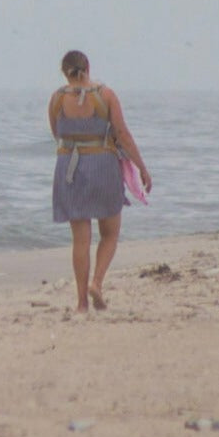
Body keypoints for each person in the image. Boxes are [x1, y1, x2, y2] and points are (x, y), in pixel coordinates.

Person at [48, 50, 152, 314]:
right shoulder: (106, 95)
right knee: (110, 232)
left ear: (64, 71)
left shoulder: (57, 99)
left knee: (80, 239)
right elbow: (123, 135)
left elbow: (56, 134)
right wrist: (141, 168)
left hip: (69, 169)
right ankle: (97, 283)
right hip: (103, 165)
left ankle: (82, 302)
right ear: (88, 67)